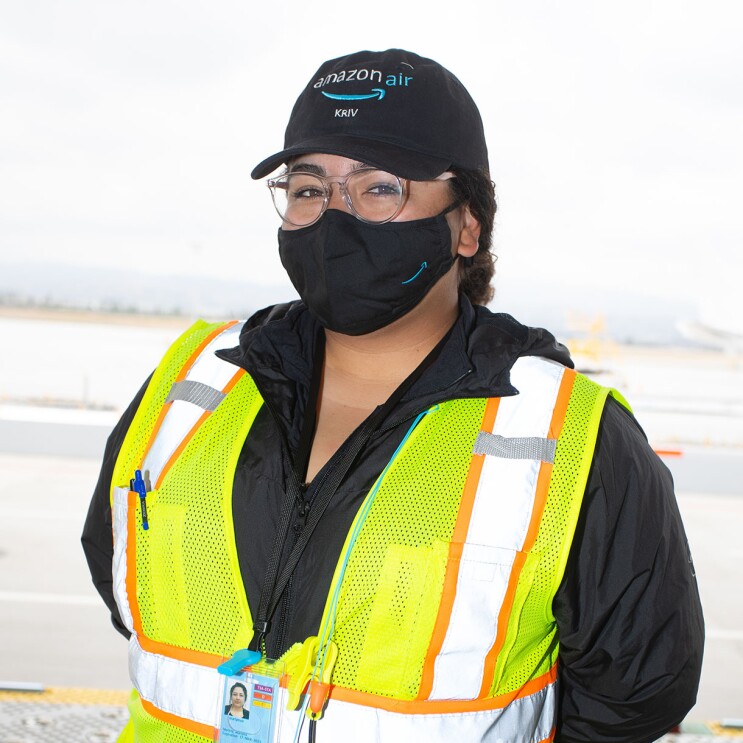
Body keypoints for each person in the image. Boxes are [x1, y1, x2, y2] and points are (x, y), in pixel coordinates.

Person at [82, 48, 703, 743]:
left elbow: (634, 694)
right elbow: (125, 583)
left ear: (466, 225)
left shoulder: (572, 437)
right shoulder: (193, 382)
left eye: (379, 188)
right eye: (308, 189)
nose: (331, 217)